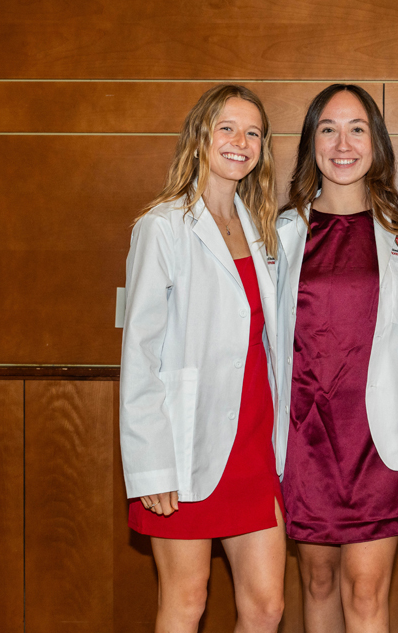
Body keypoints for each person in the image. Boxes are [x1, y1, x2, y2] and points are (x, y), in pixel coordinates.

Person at [119, 84, 285, 633]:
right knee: (185, 603)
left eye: (253, 132)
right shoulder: (161, 228)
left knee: (266, 608)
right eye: (227, 129)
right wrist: (151, 466)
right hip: (184, 448)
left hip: (253, 447)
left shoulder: (262, 228)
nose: (241, 142)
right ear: (200, 138)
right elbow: (140, 356)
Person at [275, 83, 398, 633]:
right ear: (311, 141)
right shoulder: (283, 233)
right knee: (318, 583)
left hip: (376, 437)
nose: (342, 143)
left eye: (357, 128)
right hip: (306, 434)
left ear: (376, 142)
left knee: (365, 591)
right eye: (327, 129)